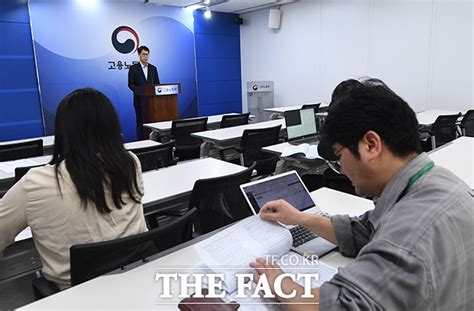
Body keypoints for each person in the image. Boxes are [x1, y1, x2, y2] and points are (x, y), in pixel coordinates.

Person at [250, 79, 474, 310]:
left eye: (339, 157)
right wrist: (299, 218)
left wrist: (281, 283)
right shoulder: (436, 181)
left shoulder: (409, 234)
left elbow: (341, 306)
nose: (342, 169)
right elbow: (366, 231)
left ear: (370, 145)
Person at [0, 88, 148, 289]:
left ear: (63, 131)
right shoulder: (130, 163)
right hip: (137, 277)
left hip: (76, 296)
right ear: (112, 126)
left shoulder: (36, 183)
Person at [128, 45, 160, 140]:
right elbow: (131, 84)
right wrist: (141, 92)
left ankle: (154, 142)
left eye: (147, 54)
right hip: (139, 101)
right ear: (139, 55)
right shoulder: (133, 68)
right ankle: (141, 142)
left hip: (152, 102)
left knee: (153, 123)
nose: (145, 57)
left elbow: (157, 84)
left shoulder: (153, 68)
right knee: (140, 123)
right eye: (143, 54)